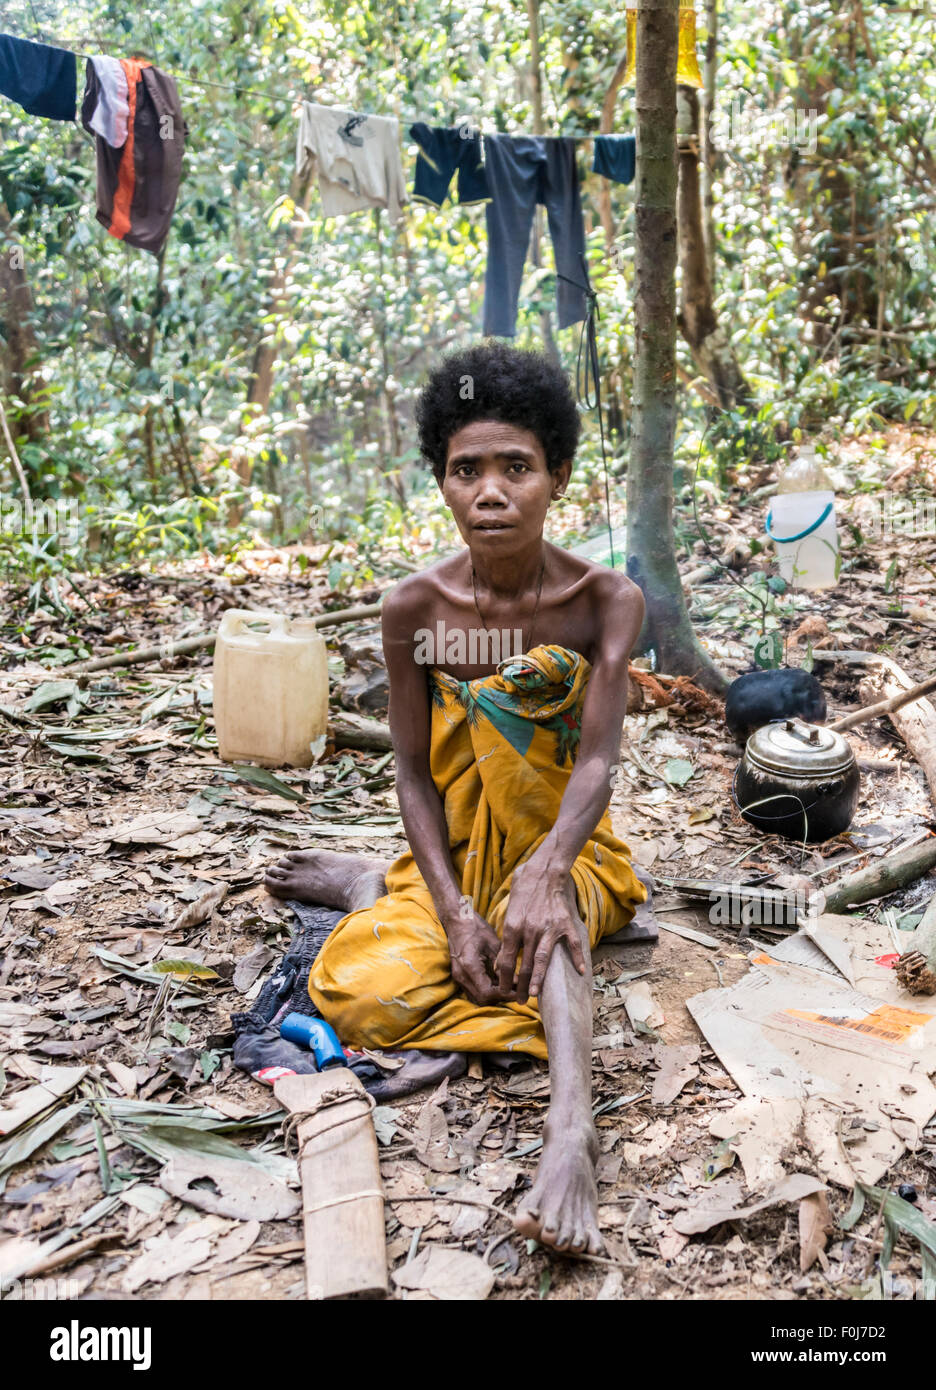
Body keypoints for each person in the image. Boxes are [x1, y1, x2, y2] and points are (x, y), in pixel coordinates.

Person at [266, 341, 647, 1256]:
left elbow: (596, 762)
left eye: (516, 467)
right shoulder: (415, 609)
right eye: (465, 469)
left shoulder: (606, 600)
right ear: (440, 482)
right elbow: (411, 771)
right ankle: (383, 887)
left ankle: (572, 1131)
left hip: (568, 840)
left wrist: (548, 871)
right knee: (357, 990)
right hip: (462, 851)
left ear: (558, 474)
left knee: (545, 936)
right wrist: (453, 907)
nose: (491, 491)